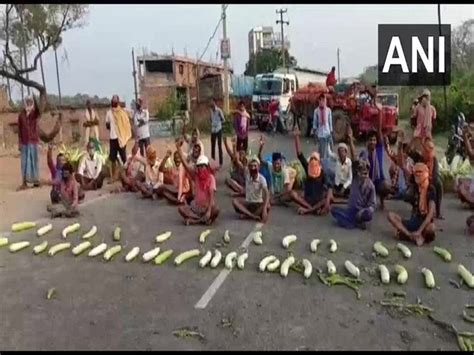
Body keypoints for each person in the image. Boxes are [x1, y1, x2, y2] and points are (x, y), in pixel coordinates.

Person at [347, 107, 391, 209]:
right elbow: (355, 159)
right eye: (371, 140)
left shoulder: (379, 150)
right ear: (367, 142)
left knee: (386, 187)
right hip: (367, 180)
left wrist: (380, 111)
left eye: (374, 140)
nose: (373, 142)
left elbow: (379, 130)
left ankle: (381, 199)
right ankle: (365, 201)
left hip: (378, 180)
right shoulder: (364, 153)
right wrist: (350, 141)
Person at [387, 162, 436, 246]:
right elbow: (403, 166)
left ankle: (419, 236)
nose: (418, 175)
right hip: (414, 220)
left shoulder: (430, 189)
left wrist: (419, 231)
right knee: (391, 215)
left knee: (431, 228)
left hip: (424, 223)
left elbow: (430, 215)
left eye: (420, 173)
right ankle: (410, 236)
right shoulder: (415, 187)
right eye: (416, 173)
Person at [175, 140, 219, 226]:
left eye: (203, 166)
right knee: (181, 209)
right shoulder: (196, 176)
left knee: (216, 209)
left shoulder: (211, 178)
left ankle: (195, 221)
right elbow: (185, 165)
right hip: (196, 207)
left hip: (207, 207)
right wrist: (178, 148)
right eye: (199, 166)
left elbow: (211, 196)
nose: (201, 168)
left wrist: (209, 211)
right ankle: (201, 220)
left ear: (207, 167)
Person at [290, 128, 332, 215]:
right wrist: (296, 136)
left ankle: (308, 210)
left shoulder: (323, 172)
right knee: (293, 194)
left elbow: (330, 187)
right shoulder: (307, 168)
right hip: (307, 200)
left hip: (318, 201)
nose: (313, 161)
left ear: (319, 162)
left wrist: (327, 202)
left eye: (315, 159)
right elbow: (299, 154)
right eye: (312, 158)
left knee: (329, 198)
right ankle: (311, 209)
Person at [331, 156, 376, 230]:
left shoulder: (371, 186)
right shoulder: (355, 178)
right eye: (362, 170)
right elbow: (354, 162)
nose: (364, 172)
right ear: (358, 171)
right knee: (333, 210)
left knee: (369, 214)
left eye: (366, 171)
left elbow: (372, 205)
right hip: (350, 210)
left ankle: (352, 222)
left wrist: (363, 211)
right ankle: (354, 223)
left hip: (360, 212)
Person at [232, 155, 270, 222]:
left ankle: (247, 215)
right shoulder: (247, 173)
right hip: (248, 202)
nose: (253, 168)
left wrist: (264, 210)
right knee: (235, 201)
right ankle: (252, 216)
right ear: (248, 167)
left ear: (259, 167)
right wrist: (234, 148)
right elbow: (238, 163)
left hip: (258, 204)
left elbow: (266, 193)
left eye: (255, 166)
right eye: (251, 166)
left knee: (268, 206)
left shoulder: (262, 179)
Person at [257, 135, 293, 205]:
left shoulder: (284, 171)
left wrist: (277, 196)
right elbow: (260, 160)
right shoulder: (270, 166)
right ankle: (275, 201)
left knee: (291, 195)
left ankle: (275, 201)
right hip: (272, 193)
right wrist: (260, 148)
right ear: (272, 162)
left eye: (278, 164)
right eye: (275, 164)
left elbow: (287, 189)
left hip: (280, 194)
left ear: (281, 163)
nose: (276, 166)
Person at [105, 94, 132, 183]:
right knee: (112, 158)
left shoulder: (122, 112)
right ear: (111, 102)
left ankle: (128, 174)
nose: (114, 102)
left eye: (116, 101)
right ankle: (113, 177)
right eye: (113, 101)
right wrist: (113, 127)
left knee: (124, 157)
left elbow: (126, 123)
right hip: (113, 138)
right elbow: (107, 125)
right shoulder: (109, 113)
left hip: (121, 138)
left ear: (118, 102)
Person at [17, 95, 41, 189]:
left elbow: (39, 111)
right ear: (25, 102)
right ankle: (24, 182)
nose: (29, 103)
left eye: (31, 101)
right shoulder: (21, 115)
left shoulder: (34, 113)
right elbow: (19, 129)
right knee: (24, 162)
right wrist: (19, 143)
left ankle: (36, 181)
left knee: (34, 160)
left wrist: (35, 99)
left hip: (33, 141)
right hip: (24, 142)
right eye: (27, 101)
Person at [421, 138, 443, 219]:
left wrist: (431, 182)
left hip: (430, 180)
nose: (429, 151)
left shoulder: (434, 159)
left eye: (430, 149)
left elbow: (435, 174)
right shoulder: (420, 158)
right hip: (421, 180)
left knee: (439, 185)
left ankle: (438, 212)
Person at [313, 93, 333, 160]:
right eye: (321, 100)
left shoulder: (328, 110)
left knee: (329, 151)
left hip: (327, 133)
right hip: (320, 134)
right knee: (321, 152)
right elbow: (315, 123)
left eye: (324, 100)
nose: (322, 102)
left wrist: (331, 132)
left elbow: (330, 122)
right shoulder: (316, 111)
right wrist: (315, 135)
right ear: (319, 101)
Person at [209, 98, 225, 166]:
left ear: (215, 102)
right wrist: (212, 123)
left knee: (219, 146)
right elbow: (210, 119)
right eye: (210, 102)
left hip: (218, 129)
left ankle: (221, 163)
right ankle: (213, 162)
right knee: (212, 146)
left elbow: (223, 119)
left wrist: (219, 121)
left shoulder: (219, 110)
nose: (211, 103)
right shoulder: (210, 111)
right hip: (213, 130)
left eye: (212, 102)